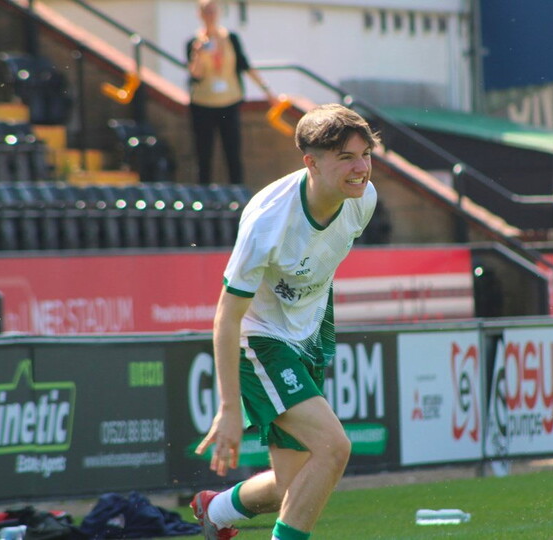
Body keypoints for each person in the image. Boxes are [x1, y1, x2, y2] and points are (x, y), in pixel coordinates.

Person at [192, 103, 379, 540]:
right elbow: (227, 316)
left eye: (366, 155)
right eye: (346, 158)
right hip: (260, 340)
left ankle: (215, 510)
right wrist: (229, 408)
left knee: (292, 486)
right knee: (333, 448)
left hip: (309, 335)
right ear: (311, 162)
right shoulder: (268, 222)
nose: (361, 169)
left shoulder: (363, 200)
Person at [186, 0, 274, 185]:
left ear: (218, 12)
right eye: (206, 11)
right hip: (203, 103)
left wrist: (267, 90)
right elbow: (195, 75)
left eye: (212, 11)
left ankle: (237, 191)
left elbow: (244, 65)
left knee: (233, 152)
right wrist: (197, 54)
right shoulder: (193, 42)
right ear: (199, 14)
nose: (210, 15)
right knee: (204, 153)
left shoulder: (231, 38)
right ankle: (204, 193)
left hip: (229, 101)